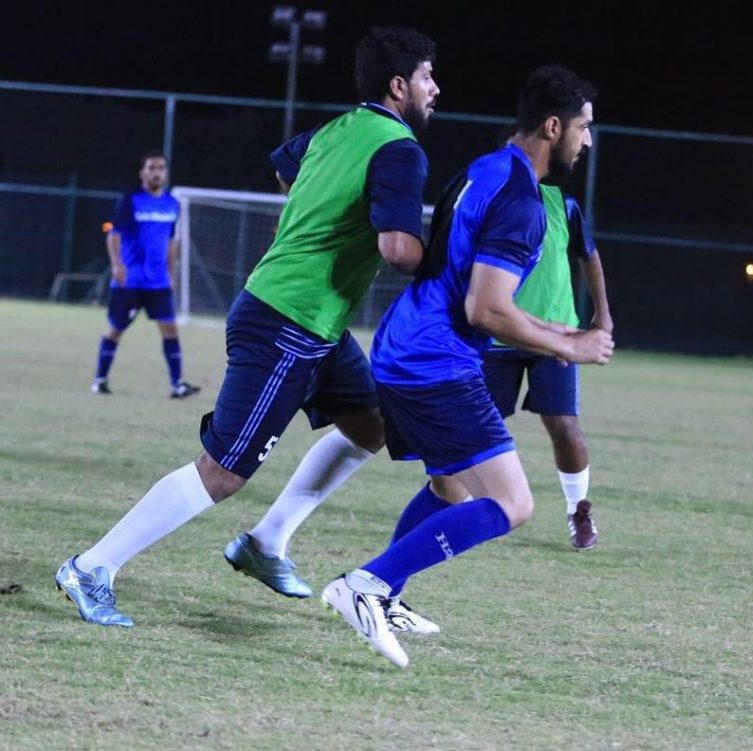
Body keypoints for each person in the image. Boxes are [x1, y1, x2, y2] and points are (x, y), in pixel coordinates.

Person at [55, 27, 440, 628]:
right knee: (222, 472)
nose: (435, 88)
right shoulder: (400, 149)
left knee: (372, 428)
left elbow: (285, 167)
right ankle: (91, 567)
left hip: (317, 325)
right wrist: (453, 268)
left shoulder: (338, 130)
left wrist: (320, 212)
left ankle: (267, 542)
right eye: (426, 77)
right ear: (399, 86)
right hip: (288, 320)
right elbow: (397, 248)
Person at [320, 65, 613, 668]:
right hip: (436, 363)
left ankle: (386, 594)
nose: (586, 141)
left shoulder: (485, 169)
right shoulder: (523, 202)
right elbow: (486, 309)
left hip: (406, 344)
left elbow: (462, 283)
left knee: (450, 486)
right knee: (513, 504)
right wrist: (569, 348)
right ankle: (366, 585)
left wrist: (559, 330)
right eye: (583, 128)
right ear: (553, 127)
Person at [483, 156, 612, 549]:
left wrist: (602, 313)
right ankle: (468, 501)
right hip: (499, 334)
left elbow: (589, 255)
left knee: (564, 426)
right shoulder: (491, 201)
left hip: (557, 337)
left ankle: (578, 510)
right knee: (480, 424)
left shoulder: (562, 204)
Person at [91, 151, 200, 399]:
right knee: (115, 329)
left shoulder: (172, 204)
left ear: (166, 173)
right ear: (142, 172)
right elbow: (114, 235)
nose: (156, 173)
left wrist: (171, 273)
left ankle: (177, 385)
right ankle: (100, 380)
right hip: (130, 280)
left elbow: (171, 241)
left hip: (158, 282)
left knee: (170, 329)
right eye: (151, 168)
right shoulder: (130, 200)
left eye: (160, 168)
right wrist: (117, 265)